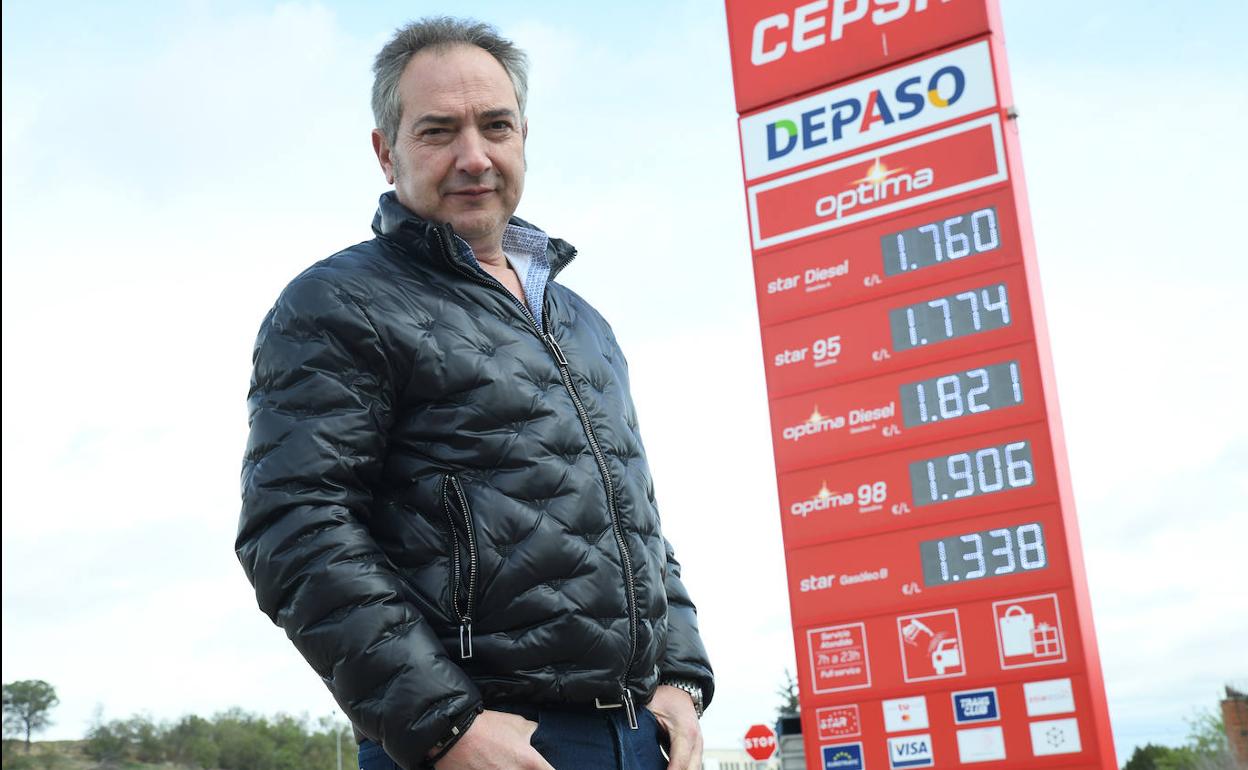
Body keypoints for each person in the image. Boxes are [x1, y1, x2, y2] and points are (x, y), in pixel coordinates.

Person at [235, 16, 714, 770]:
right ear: (386, 150)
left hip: (637, 736)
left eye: (495, 126)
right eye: (438, 131)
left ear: (524, 135)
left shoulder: (584, 321)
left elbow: (639, 524)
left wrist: (681, 679)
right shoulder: (338, 303)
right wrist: (442, 726)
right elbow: (295, 526)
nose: (474, 157)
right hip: (482, 738)